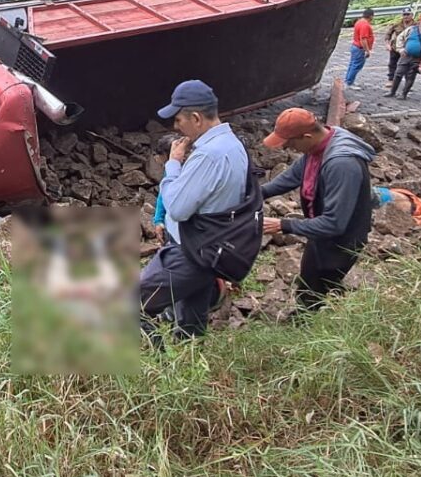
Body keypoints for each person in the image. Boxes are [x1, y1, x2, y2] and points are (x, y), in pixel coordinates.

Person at [137, 80, 250, 340]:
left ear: (196, 118)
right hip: (211, 250)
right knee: (191, 323)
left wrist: (173, 165)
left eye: (179, 120)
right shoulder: (233, 145)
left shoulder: (208, 156)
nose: (177, 127)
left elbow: (177, 209)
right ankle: (188, 366)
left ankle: (159, 367)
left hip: (189, 252)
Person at [261, 108, 375, 315]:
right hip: (320, 230)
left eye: (290, 142)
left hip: (341, 240)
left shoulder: (342, 164)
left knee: (318, 283)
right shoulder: (316, 147)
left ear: (307, 136)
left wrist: (282, 225)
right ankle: (318, 312)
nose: (287, 147)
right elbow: (290, 178)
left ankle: (310, 323)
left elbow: (334, 223)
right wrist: (255, 195)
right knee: (310, 276)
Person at [385, 13, 421, 100]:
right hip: (406, 55)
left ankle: (404, 94)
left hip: (419, 57)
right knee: (398, 73)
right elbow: (400, 38)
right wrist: (400, 49)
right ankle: (392, 92)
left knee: (411, 75)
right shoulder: (411, 29)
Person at [344, 8, 375, 90]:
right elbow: (363, 39)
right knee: (356, 65)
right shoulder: (365, 25)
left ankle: (348, 80)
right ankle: (349, 82)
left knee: (352, 64)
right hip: (359, 48)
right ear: (371, 16)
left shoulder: (359, 21)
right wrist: (367, 50)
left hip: (355, 46)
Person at [383, 8, 415, 85]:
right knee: (392, 64)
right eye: (404, 14)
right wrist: (387, 44)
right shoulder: (397, 24)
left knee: (408, 66)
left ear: (412, 15)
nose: (406, 16)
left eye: (408, 14)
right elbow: (388, 34)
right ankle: (391, 80)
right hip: (396, 48)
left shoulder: (416, 25)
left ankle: (408, 83)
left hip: (409, 49)